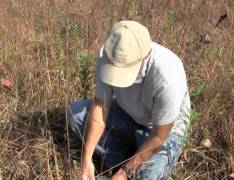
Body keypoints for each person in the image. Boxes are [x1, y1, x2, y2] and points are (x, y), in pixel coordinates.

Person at [67, 20, 191, 180]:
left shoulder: (167, 76)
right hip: (128, 114)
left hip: (162, 130)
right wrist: (86, 159)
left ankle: (127, 164)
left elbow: (160, 136)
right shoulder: (108, 55)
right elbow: (100, 106)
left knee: (150, 176)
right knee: (74, 114)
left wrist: (125, 172)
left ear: (145, 57)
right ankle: (122, 158)